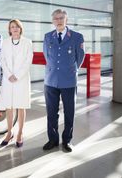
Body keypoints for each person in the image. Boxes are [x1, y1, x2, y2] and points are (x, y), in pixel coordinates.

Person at [43, 9, 85, 152]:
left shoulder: (76, 37)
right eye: (56, 18)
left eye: (61, 18)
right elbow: (47, 56)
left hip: (68, 81)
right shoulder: (48, 36)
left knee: (69, 111)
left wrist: (72, 70)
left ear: (66, 19)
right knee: (51, 112)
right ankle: (53, 140)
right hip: (50, 80)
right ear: (53, 21)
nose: (59, 20)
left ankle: (67, 140)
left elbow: (80, 57)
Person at [0, 19, 33, 148]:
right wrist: (8, 75)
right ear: (9, 29)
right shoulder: (5, 42)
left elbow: (28, 61)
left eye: (17, 27)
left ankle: (19, 133)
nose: (14, 29)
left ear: (20, 28)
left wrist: (17, 76)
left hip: (21, 79)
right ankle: (9, 133)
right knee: (9, 106)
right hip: (8, 80)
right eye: (12, 27)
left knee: (21, 106)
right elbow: (2, 60)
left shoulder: (27, 42)